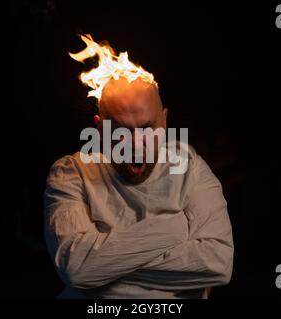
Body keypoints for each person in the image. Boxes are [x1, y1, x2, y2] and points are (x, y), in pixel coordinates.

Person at [44, 77, 234, 298]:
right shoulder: (71, 172)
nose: (135, 143)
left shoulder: (189, 167)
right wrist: (177, 228)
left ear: (164, 122)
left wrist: (102, 269)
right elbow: (76, 268)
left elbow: (218, 263)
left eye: (147, 128)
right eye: (120, 130)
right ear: (100, 128)